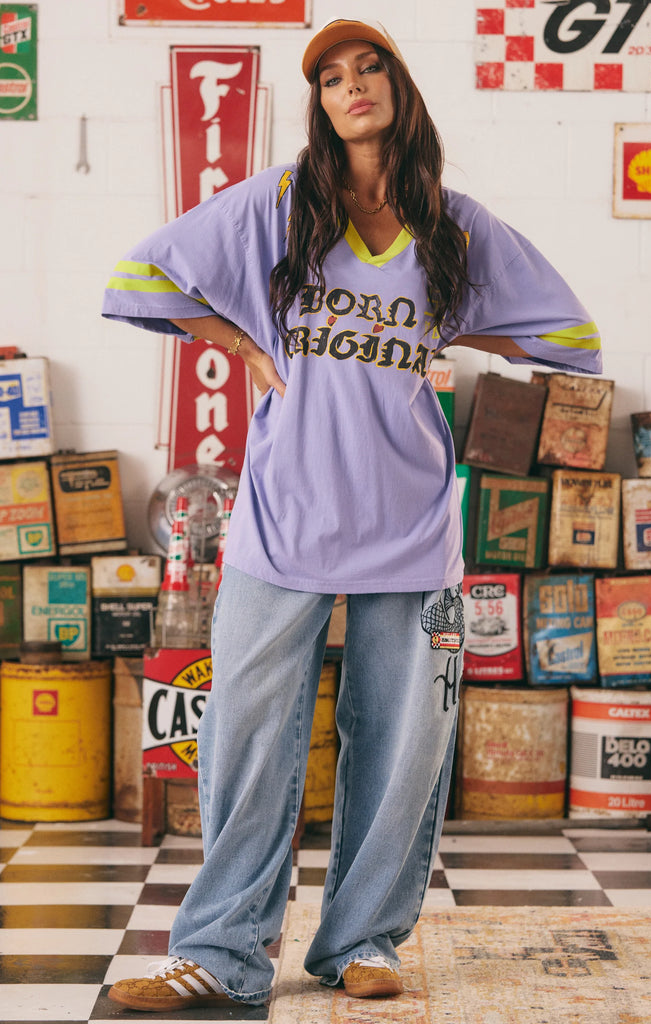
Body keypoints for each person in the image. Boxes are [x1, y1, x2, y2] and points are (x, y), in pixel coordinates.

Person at [102, 18, 601, 1012]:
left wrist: (463, 329)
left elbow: (569, 334)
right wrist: (244, 343)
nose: (350, 86)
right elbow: (140, 276)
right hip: (282, 515)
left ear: (398, 88)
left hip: (413, 525)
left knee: (405, 740)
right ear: (319, 105)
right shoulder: (281, 204)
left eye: (368, 68)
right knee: (246, 733)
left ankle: (362, 940)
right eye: (330, 77)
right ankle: (222, 952)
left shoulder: (453, 224)